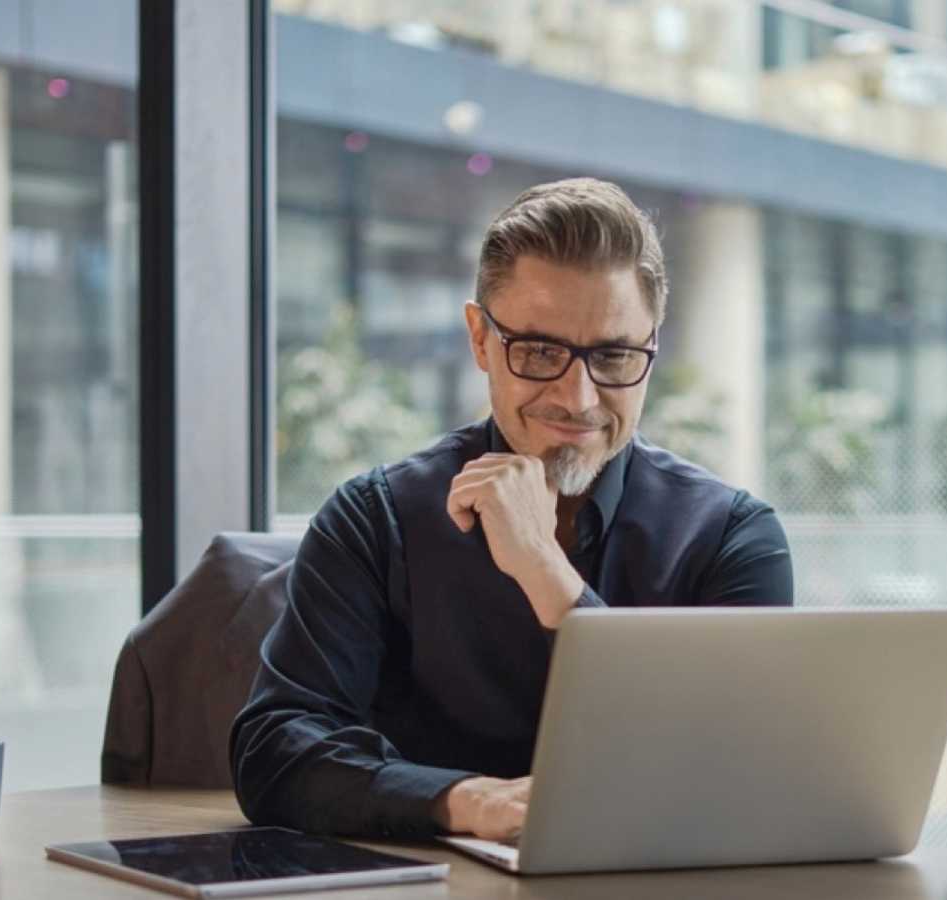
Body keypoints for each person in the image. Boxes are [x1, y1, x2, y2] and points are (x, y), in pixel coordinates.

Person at [229, 177, 794, 844]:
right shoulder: (375, 518)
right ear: (480, 339)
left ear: (652, 348)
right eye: (540, 352)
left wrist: (544, 571)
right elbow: (274, 751)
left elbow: (736, 773)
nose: (579, 398)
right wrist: (464, 803)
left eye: (613, 356)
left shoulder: (734, 538)